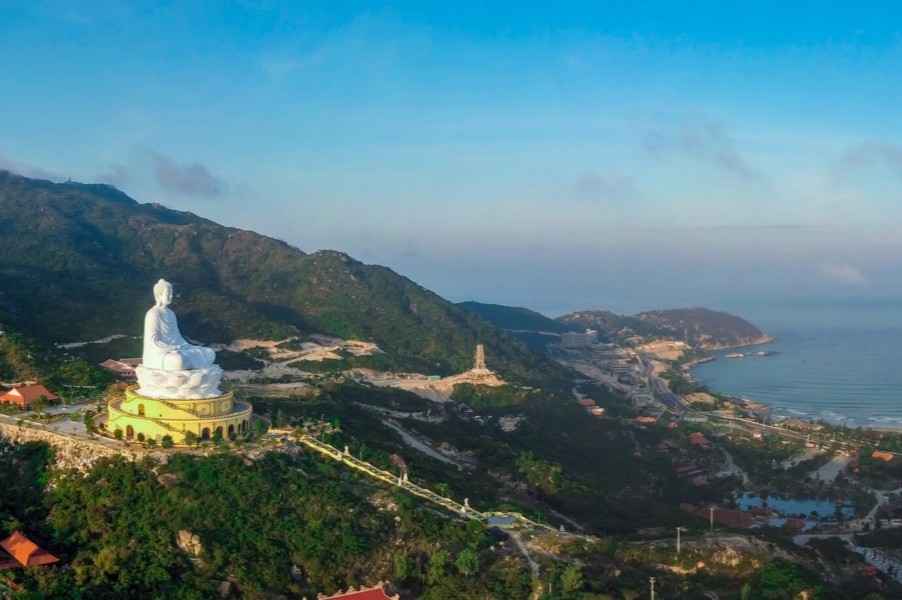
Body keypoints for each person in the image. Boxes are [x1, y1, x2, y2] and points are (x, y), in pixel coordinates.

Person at [143, 279, 216, 371]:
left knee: (209, 352)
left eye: (171, 293)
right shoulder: (153, 313)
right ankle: (186, 362)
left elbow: (177, 337)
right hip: (159, 354)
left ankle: (187, 362)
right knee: (178, 360)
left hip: (177, 349)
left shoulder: (170, 313)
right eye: (167, 293)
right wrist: (171, 348)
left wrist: (185, 346)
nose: (170, 296)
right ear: (159, 295)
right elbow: (153, 341)